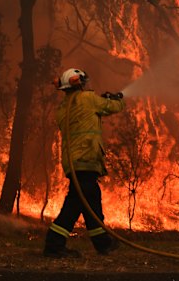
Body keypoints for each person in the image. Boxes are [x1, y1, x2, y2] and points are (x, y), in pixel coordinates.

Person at [43, 68, 124, 258]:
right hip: (86, 159)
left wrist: (103, 100)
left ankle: (103, 243)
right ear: (79, 83)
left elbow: (87, 114)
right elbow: (112, 107)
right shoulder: (87, 99)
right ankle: (53, 244)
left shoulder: (62, 109)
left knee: (91, 200)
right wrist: (117, 98)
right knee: (75, 203)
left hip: (74, 162)